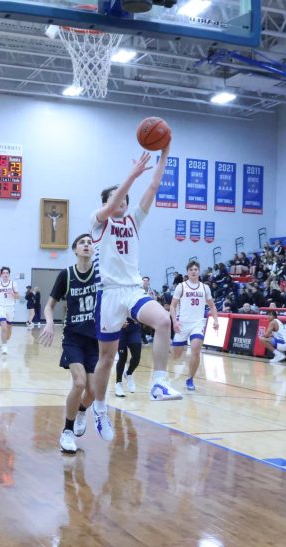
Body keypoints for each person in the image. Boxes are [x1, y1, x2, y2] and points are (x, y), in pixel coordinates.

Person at [90, 145, 181, 401]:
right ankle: (98, 406)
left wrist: (164, 154)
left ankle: (159, 383)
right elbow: (113, 203)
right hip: (108, 295)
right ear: (106, 203)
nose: (123, 202)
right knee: (107, 358)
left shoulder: (133, 221)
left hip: (131, 290)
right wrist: (132, 175)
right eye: (117, 198)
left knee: (164, 321)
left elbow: (152, 187)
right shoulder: (98, 222)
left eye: (126, 200)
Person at [39, 234, 106, 453]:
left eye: (90, 242)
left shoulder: (101, 274)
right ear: (75, 250)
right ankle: (67, 432)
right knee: (78, 383)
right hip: (73, 338)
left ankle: (81, 411)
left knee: (93, 391)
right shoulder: (66, 275)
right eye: (82, 243)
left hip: (96, 340)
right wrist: (49, 323)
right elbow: (49, 306)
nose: (87, 245)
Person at [170, 260, 219, 391]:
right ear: (187, 272)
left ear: (198, 271)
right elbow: (173, 306)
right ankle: (168, 349)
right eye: (191, 269)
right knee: (176, 355)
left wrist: (216, 320)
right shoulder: (181, 286)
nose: (193, 271)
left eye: (195, 269)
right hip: (182, 323)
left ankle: (190, 378)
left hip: (197, 323)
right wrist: (175, 321)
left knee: (196, 349)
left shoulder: (205, 287)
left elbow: (212, 305)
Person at [0, 267, 19, 355]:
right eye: (4, 273)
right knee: (3, 327)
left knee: (9, 329)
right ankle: (4, 347)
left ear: (9, 274)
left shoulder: (13, 284)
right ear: (1, 274)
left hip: (11, 308)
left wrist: (12, 294)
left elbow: (18, 296)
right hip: (2, 307)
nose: (6, 274)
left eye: (7, 273)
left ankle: (6, 339)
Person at [114, 318, 142, 397]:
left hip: (134, 328)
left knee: (136, 356)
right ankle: (118, 383)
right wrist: (119, 321)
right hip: (120, 329)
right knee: (122, 358)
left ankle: (128, 373)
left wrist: (142, 319)